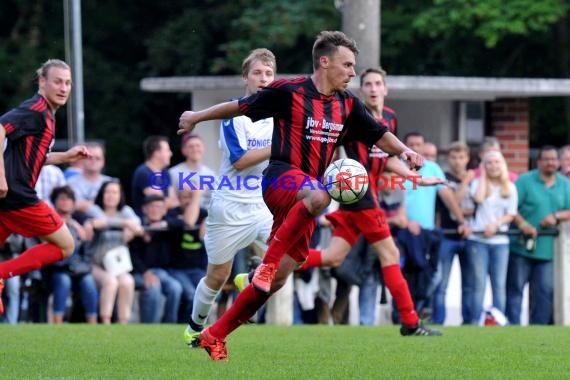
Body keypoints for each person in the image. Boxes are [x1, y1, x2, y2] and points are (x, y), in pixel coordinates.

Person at [178, 31, 427, 360]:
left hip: (305, 197)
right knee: (320, 197)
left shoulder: (347, 104)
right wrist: (196, 116)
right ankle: (264, 265)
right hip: (281, 179)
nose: (353, 72)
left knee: (281, 277)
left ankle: (215, 334)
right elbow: (238, 107)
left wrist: (406, 150)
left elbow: (380, 136)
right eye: (347, 65)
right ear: (324, 62)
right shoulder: (288, 91)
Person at [183, 48, 276, 345]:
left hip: (262, 205)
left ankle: (247, 281)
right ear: (245, 77)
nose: (263, 78)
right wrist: (279, 148)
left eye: (269, 73)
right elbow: (240, 160)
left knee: (290, 257)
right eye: (257, 73)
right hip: (229, 205)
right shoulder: (235, 115)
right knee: (217, 276)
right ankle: (194, 328)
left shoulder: (279, 114)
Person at [0, 59, 90, 314]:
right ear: (42, 81)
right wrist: (0, 175)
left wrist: (65, 157)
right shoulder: (36, 110)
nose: (63, 88)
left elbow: (31, 157)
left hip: (8, 198)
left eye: (68, 83)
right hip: (18, 196)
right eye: (57, 81)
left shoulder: (46, 115)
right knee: (66, 245)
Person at [506, 146, 570, 325]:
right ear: (539, 162)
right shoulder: (525, 180)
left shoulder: (565, 184)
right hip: (520, 247)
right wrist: (523, 224)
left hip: (548, 250)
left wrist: (556, 216)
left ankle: (538, 329)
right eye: (547, 159)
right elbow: (511, 207)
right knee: (515, 289)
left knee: (545, 291)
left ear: (558, 163)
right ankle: (512, 327)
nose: (551, 162)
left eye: (554, 159)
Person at [466, 151, 517, 324]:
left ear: (502, 164)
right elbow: (478, 198)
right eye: (489, 163)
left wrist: (495, 225)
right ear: (484, 166)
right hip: (478, 241)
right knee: (478, 284)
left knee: (499, 284)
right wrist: (481, 174)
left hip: (500, 242)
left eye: (497, 162)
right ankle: (475, 321)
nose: (493, 166)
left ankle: (499, 320)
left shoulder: (510, 187)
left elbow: (511, 213)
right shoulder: (476, 184)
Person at [86, 179, 142, 324]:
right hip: (96, 264)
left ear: (120, 195)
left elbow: (138, 226)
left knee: (128, 281)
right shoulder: (94, 209)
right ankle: (106, 322)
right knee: (110, 281)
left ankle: (123, 323)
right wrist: (124, 224)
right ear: (102, 194)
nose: (111, 196)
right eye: (108, 192)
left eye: (115, 192)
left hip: (118, 265)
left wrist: (132, 228)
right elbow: (100, 222)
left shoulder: (125, 211)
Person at [431, 141, 475, 325]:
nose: (458, 161)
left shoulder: (478, 179)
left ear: (468, 159)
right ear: (448, 159)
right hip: (447, 235)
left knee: (470, 285)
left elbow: (477, 206)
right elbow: (453, 205)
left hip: (470, 236)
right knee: (441, 283)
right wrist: (465, 182)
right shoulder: (444, 178)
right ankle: (438, 320)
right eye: (454, 157)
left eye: (461, 157)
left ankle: (469, 322)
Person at [41, 186, 98, 324]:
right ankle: (58, 322)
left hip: (78, 269)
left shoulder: (81, 224)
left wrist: (75, 225)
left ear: (73, 203)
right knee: (63, 281)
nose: (65, 202)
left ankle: (94, 324)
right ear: (55, 202)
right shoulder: (47, 221)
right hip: (56, 269)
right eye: (62, 199)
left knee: (89, 282)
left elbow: (87, 251)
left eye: (69, 199)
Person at [129, 195, 183, 323]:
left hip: (161, 272)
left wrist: (156, 226)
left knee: (175, 288)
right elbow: (132, 256)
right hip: (138, 272)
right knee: (153, 287)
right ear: (144, 209)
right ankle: (150, 328)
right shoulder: (137, 227)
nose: (155, 210)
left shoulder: (167, 225)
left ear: (165, 210)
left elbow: (181, 223)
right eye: (151, 207)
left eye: (159, 207)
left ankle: (169, 327)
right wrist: (145, 273)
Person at [131, 136, 179, 217]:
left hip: (165, 219)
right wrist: (169, 202)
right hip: (146, 223)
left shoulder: (165, 171)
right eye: (167, 150)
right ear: (156, 153)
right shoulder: (143, 172)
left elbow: (175, 202)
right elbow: (158, 205)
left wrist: (170, 202)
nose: (171, 153)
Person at [169, 134, 216, 209]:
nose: (195, 149)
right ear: (183, 150)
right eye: (191, 146)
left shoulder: (210, 174)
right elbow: (171, 200)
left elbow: (214, 199)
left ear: (203, 148)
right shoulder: (173, 173)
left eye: (198, 145)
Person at [67, 142, 111, 215]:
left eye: (98, 158)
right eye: (90, 157)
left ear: (103, 161)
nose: (93, 161)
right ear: (82, 159)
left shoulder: (111, 184)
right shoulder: (69, 184)